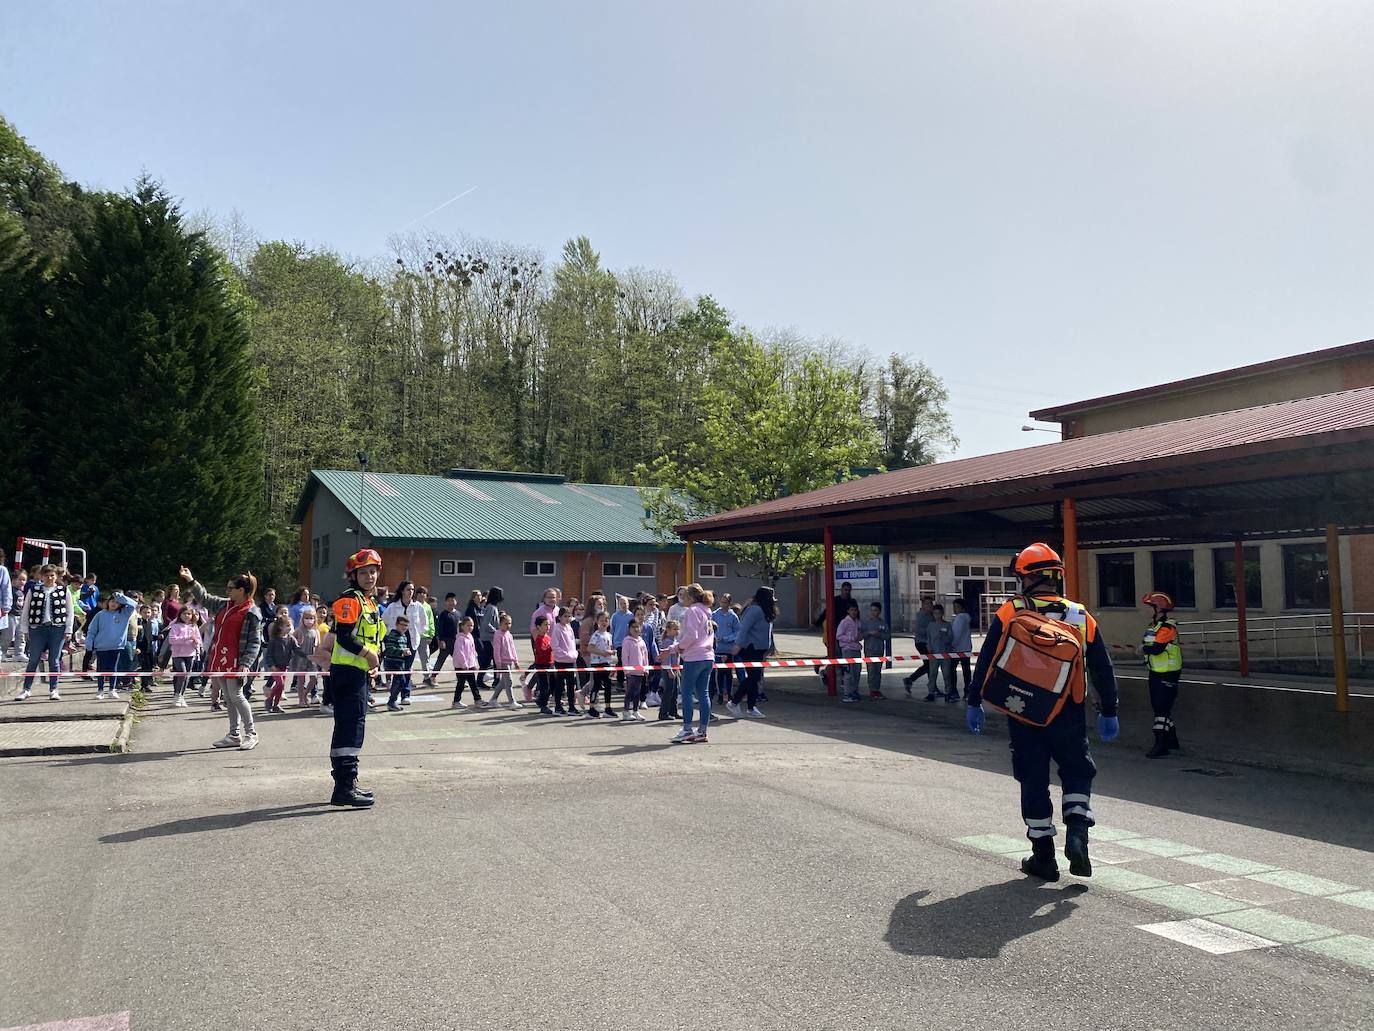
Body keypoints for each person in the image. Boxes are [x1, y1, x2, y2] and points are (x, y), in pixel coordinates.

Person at [965, 543, 1120, 882]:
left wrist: (974, 700)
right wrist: (1109, 709)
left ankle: (1044, 857)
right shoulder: (1080, 616)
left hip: (1023, 710)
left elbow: (988, 659)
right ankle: (1078, 833)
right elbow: (1102, 668)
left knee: (1033, 778)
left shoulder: (1011, 612)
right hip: (1069, 710)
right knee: (1077, 770)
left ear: (1025, 578)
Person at [324, 550, 385, 806]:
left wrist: (373, 660)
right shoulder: (350, 599)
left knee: (353, 726)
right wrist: (369, 656)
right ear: (354, 576)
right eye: (363, 572)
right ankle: (344, 788)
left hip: (357, 671)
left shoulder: (369, 602)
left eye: (373, 571)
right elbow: (345, 637)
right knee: (350, 727)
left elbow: (373, 637)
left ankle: (347, 784)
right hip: (347, 673)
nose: (369, 576)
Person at [182, 566, 263, 752]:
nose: (227, 592)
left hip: (236, 661)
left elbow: (254, 641)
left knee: (236, 695)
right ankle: (234, 734)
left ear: (241, 590)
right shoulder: (224, 605)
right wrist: (191, 580)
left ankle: (251, 733)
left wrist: (245, 664)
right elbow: (204, 598)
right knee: (227, 697)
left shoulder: (251, 612)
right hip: (219, 658)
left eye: (230, 588)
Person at [14, 565, 73, 701]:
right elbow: (26, 610)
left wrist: (68, 630)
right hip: (37, 628)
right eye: (46, 575)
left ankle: (54, 689)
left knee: (54, 660)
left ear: (56, 576)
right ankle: (26, 689)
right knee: (33, 659)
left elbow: (69, 611)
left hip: (57, 628)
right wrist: (25, 629)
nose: (49, 578)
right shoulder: (33, 590)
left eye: (52, 575)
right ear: (41, 576)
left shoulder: (63, 590)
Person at [1140, 591, 1183, 758]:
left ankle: (1161, 744)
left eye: (1148, 606)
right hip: (1156, 672)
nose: (1145, 610)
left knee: (1162, 709)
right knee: (1159, 707)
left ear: (1158, 608)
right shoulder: (1154, 626)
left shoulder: (1167, 627)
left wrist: (1142, 649)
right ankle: (1172, 739)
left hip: (1168, 673)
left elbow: (1157, 648)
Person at [671, 584, 715, 744]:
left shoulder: (692, 611)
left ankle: (687, 728)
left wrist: (679, 647)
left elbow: (691, 635)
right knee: (703, 693)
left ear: (690, 597)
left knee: (687, 692)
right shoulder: (707, 612)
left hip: (694, 657)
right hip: (708, 656)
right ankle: (702, 730)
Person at [85, 591, 140, 701]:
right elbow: (92, 630)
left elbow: (134, 604)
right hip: (101, 646)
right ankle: (100, 691)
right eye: (112, 601)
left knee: (113, 668)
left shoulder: (124, 613)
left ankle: (112, 689)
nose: (114, 604)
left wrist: (122, 597)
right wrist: (89, 642)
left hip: (117, 646)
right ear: (108, 602)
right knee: (101, 669)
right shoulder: (100, 614)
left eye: (116, 602)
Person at [728, 587, 774, 718]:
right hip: (751, 648)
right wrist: (738, 644)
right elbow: (744, 628)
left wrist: (770, 648)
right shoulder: (755, 610)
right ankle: (735, 701)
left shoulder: (766, 611)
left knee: (755, 678)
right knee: (754, 677)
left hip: (760, 649)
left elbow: (768, 632)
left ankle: (751, 707)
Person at [382, 581, 426, 705]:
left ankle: (405, 694)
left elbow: (424, 623)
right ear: (402, 591)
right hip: (397, 641)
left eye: (412, 589)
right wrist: (390, 636)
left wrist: (418, 634)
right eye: (408, 589)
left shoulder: (418, 606)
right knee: (398, 669)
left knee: (407, 669)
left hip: (411, 641)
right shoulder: (393, 606)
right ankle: (394, 696)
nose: (411, 592)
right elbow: (383, 621)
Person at [159, 605, 203, 707]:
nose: (187, 616)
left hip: (190, 654)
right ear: (180, 615)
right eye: (184, 614)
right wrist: (187, 638)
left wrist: (197, 644)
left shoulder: (194, 626)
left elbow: (198, 640)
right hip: (178, 654)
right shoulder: (175, 626)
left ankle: (182, 696)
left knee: (187, 676)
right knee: (182, 673)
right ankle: (177, 695)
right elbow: (172, 640)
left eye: (189, 614)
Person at [263, 611, 299, 713]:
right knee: (280, 684)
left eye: (290, 626)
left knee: (281, 686)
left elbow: (297, 649)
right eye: (287, 625)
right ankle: (269, 700)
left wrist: (308, 655)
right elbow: (268, 655)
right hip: (275, 666)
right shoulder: (274, 640)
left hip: (284, 666)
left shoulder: (291, 638)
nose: (289, 628)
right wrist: (272, 665)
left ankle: (276, 705)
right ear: (280, 627)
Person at [582, 611, 614, 719]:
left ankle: (608, 708)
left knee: (608, 686)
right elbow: (590, 648)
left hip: (607, 663)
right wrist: (603, 652)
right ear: (597, 622)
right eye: (601, 620)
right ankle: (591, 709)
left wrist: (611, 653)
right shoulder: (596, 635)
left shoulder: (609, 635)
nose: (604, 622)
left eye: (606, 620)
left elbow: (608, 649)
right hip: (597, 663)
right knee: (596, 686)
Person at [383, 615, 416, 711]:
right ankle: (391, 701)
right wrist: (401, 651)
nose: (404, 627)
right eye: (402, 625)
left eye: (406, 625)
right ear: (397, 625)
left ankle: (392, 700)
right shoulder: (393, 635)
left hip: (400, 662)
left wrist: (405, 652)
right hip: (392, 662)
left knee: (400, 681)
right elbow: (389, 649)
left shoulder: (404, 636)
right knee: (400, 680)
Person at [550, 605, 579, 715]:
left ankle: (571, 707)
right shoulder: (557, 629)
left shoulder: (569, 628)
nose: (567, 618)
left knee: (571, 685)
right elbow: (555, 646)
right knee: (560, 685)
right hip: (561, 661)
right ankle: (558, 707)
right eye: (565, 616)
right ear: (560, 617)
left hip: (571, 660)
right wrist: (565, 654)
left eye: (569, 616)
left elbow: (572, 643)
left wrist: (574, 653)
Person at [902, 598, 935, 695]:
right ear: (923, 605)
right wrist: (932, 631)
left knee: (929, 665)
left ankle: (911, 680)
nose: (930, 605)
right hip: (922, 642)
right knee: (929, 664)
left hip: (929, 643)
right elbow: (919, 630)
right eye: (927, 604)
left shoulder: (931, 615)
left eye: (931, 603)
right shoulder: (922, 616)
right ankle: (931, 687)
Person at [489, 612, 521, 708]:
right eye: (506, 623)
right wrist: (498, 663)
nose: (508, 626)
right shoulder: (498, 635)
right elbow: (496, 651)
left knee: (503, 682)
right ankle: (512, 702)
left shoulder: (509, 635)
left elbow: (512, 648)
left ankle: (493, 699)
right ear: (500, 624)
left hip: (510, 661)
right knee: (509, 682)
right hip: (503, 662)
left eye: (509, 623)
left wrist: (516, 661)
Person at [450, 616, 483, 709]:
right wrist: (464, 665)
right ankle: (456, 701)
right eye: (468, 625)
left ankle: (478, 700)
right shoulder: (460, 639)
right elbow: (459, 653)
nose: (470, 627)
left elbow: (472, 651)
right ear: (462, 626)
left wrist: (474, 663)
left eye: (472, 625)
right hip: (461, 666)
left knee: (473, 684)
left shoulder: (470, 637)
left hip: (470, 665)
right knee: (460, 684)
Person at [711, 593, 739, 704]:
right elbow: (710, 628)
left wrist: (727, 638)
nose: (723, 604)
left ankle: (729, 693)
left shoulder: (733, 616)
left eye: (725, 602)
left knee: (728, 672)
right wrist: (715, 638)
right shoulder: (714, 614)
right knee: (719, 672)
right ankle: (720, 694)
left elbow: (738, 632)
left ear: (729, 603)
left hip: (728, 649)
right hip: (718, 649)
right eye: (721, 601)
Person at [924, 605, 956, 702]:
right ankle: (931, 692)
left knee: (946, 674)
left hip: (945, 653)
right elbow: (928, 638)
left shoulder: (947, 625)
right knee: (933, 674)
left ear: (942, 613)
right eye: (935, 613)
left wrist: (944, 638)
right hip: (934, 654)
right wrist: (929, 649)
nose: (937, 615)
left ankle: (948, 693)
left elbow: (951, 638)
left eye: (939, 613)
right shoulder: (931, 625)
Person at [620, 618, 649, 721]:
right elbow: (624, 656)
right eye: (633, 627)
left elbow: (645, 656)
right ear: (629, 629)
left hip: (640, 672)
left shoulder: (642, 641)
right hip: (631, 672)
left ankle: (636, 711)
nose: (636, 629)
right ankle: (626, 711)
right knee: (630, 692)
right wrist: (626, 670)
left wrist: (646, 669)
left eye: (637, 626)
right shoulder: (627, 641)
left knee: (637, 692)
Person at [860, 601, 888, 700]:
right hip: (869, 650)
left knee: (877, 671)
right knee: (871, 671)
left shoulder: (883, 623)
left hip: (879, 650)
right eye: (871, 610)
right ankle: (872, 689)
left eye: (875, 610)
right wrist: (869, 633)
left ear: (879, 611)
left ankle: (877, 689)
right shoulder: (865, 623)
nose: (873, 612)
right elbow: (861, 635)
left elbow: (887, 636)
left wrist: (879, 635)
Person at [429, 592, 460, 683]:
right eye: (449, 601)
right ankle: (433, 677)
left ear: (456, 602)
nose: (451, 602)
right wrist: (440, 640)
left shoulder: (458, 614)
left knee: (458, 660)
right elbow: (439, 628)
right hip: (446, 641)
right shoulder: (443, 614)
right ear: (445, 602)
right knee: (441, 659)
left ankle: (460, 678)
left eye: (452, 600)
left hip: (456, 641)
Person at [476, 587, 503, 688]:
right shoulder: (491, 608)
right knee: (492, 660)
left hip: (490, 638)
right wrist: (496, 632)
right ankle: (495, 681)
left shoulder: (492, 607)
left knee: (488, 661)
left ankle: (494, 680)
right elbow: (486, 623)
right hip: (489, 638)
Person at [657, 620, 682, 722]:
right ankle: (663, 713)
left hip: (675, 669)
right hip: (669, 670)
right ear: (668, 630)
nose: (677, 631)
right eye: (674, 629)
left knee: (675, 692)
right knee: (668, 692)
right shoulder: (667, 642)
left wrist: (677, 669)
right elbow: (666, 658)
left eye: (678, 629)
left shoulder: (675, 641)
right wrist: (669, 670)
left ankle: (673, 712)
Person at [950, 599, 974, 695]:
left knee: (952, 670)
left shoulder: (959, 618)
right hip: (966, 647)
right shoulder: (967, 618)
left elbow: (956, 633)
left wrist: (952, 644)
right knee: (966, 671)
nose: (955, 609)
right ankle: (967, 690)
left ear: (962, 608)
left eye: (957, 607)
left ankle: (954, 690)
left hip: (956, 649)